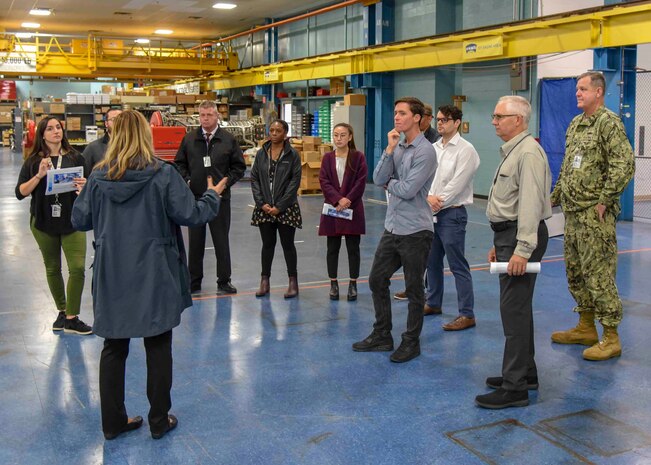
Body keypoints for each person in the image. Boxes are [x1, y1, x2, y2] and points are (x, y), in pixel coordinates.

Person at [71, 110, 227, 440]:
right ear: (146, 136)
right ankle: (159, 420)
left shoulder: (98, 177)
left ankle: (112, 423)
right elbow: (191, 214)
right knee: (158, 346)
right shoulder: (162, 174)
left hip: (112, 273)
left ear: (113, 136)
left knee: (114, 347)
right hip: (155, 272)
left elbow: (79, 220)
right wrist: (213, 195)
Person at [550, 71, 635, 361]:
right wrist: (554, 197)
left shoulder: (608, 123)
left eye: (583, 89)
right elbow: (567, 166)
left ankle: (611, 336)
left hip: (593, 215)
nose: (578, 93)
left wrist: (605, 200)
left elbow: (624, 164)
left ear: (598, 92)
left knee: (598, 274)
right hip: (572, 213)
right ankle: (586, 327)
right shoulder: (576, 124)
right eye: (577, 89)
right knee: (575, 272)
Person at [475, 96, 551, 409]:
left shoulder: (529, 153)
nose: (493, 121)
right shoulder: (516, 150)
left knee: (513, 311)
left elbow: (531, 205)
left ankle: (515, 387)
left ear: (518, 120)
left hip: (520, 238)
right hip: (509, 236)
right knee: (518, 308)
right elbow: (511, 203)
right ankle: (527, 373)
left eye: (499, 116)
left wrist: (521, 249)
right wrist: (500, 242)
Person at [352, 97, 437, 363]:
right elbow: (377, 179)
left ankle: (411, 342)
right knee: (377, 279)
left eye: (402, 113)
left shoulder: (426, 151)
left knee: (414, 290)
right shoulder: (397, 145)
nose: (397, 118)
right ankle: (382, 334)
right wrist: (389, 151)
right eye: (396, 113)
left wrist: (390, 183)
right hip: (393, 227)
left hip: (416, 231)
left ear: (417, 118)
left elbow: (410, 190)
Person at [15, 116, 92, 335]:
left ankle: (72, 317)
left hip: (72, 221)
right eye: (50, 129)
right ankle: (62, 310)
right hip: (43, 222)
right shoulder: (32, 162)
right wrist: (39, 175)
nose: (56, 131)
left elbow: (89, 190)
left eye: (58, 127)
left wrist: (86, 186)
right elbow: (20, 193)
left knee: (77, 268)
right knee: (52, 268)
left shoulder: (76, 157)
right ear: (42, 134)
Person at [174, 100, 246, 294]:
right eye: (202, 115)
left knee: (221, 240)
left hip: (220, 200)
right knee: (195, 242)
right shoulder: (189, 139)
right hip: (195, 199)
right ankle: (194, 281)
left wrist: (224, 184)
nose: (205, 119)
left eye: (209, 115)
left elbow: (239, 167)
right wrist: (188, 181)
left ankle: (224, 281)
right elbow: (179, 164)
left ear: (217, 116)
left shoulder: (228, 139)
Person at [425, 105, 480, 330]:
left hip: (452, 213)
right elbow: (426, 176)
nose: (440, 123)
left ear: (457, 123)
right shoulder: (434, 147)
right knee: (432, 261)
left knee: (457, 264)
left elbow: (458, 182)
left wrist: (438, 201)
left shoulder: (466, 150)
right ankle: (433, 302)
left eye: (445, 120)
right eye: (438, 119)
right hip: (432, 211)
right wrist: (429, 198)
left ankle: (467, 314)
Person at [250, 119, 302, 299]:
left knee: (288, 245)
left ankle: (293, 282)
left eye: (278, 131)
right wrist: (260, 202)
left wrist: (280, 206)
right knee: (267, 245)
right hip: (264, 207)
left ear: (285, 134)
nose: (273, 133)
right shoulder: (261, 154)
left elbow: (295, 182)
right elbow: (254, 178)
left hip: (286, 209)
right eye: (271, 130)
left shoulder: (292, 155)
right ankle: (265, 281)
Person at [319, 123, 368, 301]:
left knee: (353, 248)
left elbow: (361, 181)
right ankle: (333, 284)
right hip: (332, 209)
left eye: (342, 135)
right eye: (336, 135)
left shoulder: (358, 157)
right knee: (332, 248)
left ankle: (353, 284)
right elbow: (324, 181)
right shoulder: (327, 158)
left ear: (350, 137)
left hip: (352, 208)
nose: (338, 138)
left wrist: (348, 199)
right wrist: (337, 199)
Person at [82, 108, 122, 172]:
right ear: (106, 123)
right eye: (114, 119)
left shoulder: (133, 147)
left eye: (121, 119)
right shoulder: (93, 148)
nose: (118, 122)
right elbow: (83, 174)